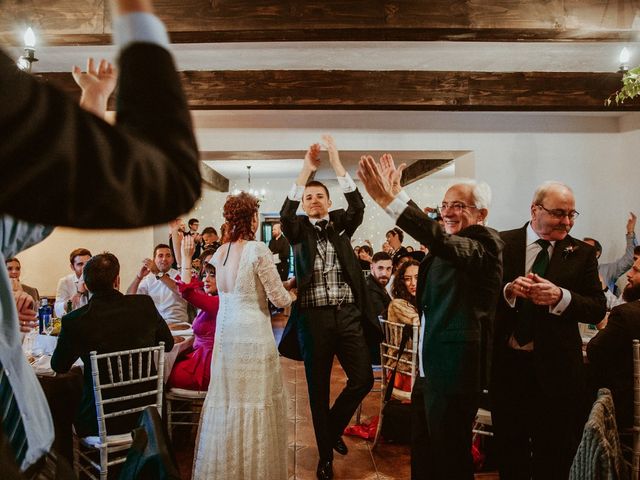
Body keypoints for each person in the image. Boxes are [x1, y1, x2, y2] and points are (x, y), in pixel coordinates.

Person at [0, 0, 200, 475]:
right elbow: (161, 177)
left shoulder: (78, 319)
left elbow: (41, 206)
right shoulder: (136, 305)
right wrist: (133, 14)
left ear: (86, 279)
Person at [357, 153, 503, 480]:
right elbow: (439, 233)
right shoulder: (449, 241)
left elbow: (441, 238)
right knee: (422, 452)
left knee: (450, 458)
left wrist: (390, 201)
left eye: (460, 206)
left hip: (455, 370)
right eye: (446, 204)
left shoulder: (486, 243)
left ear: (482, 214)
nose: (449, 211)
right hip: (428, 365)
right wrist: (402, 197)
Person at [278, 136, 382, 480]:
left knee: (363, 379)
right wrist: (306, 170)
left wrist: (337, 164)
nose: (313, 201)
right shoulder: (297, 230)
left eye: (319, 196)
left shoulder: (340, 224)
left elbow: (358, 208)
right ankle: (325, 457)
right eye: (308, 197)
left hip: (348, 314)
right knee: (317, 389)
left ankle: (333, 428)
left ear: (328, 201)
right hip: (313, 320)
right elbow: (285, 213)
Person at [491, 181, 606, 480]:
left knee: (553, 453)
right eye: (558, 213)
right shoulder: (502, 243)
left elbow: (596, 306)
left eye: (571, 214)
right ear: (535, 210)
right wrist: (508, 291)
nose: (566, 222)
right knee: (509, 448)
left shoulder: (581, 253)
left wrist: (561, 298)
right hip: (508, 367)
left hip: (557, 372)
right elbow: (479, 296)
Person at [192, 192, 294, 479]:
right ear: (251, 219)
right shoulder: (257, 249)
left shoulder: (220, 252)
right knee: (255, 403)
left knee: (229, 403)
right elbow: (279, 298)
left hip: (227, 337)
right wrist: (294, 293)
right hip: (252, 335)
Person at [51, 253, 174, 437]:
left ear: (85, 283)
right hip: (148, 415)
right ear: (117, 280)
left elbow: (58, 366)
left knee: (60, 406)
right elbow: (169, 343)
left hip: (100, 421)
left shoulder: (75, 321)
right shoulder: (144, 305)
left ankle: (67, 464)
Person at [160, 235, 219, 391]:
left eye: (212, 275)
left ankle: (167, 414)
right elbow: (188, 286)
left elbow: (186, 292)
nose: (206, 279)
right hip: (202, 359)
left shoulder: (219, 302)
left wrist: (186, 258)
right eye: (205, 274)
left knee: (161, 374)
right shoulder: (212, 299)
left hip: (206, 367)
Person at [587, 256, 640, 430]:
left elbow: (595, 351)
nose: (629, 275)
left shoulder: (626, 314)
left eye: (636, 270)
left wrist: (603, 328)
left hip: (624, 408)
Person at [126, 244, 188, 324]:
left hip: (178, 324)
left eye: (168, 256)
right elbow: (129, 298)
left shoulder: (180, 276)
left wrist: (157, 273)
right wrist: (138, 278)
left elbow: (182, 292)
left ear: (172, 259)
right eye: (160, 256)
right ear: (154, 260)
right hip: (156, 326)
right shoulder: (148, 279)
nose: (164, 259)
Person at [387, 259, 420, 392]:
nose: (413, 283)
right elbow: (421, 324)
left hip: (418, 365)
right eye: (407, 279)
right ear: (402, 282)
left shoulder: (420, 301)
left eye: (417, 278)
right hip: (404, 367)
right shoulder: (398, 304)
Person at [584, 211, 637, 293]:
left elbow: (630, 259)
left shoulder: (607, 270)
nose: (583, 251)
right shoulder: (574, 270)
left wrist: (630, 233)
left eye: (587, 248)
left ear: (597, 254)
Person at [53, 248, 92, 317]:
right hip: (73, 323)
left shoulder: (98, 280)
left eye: (88, 264)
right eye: (80, 264)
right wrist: (79, 293)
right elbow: (59, 312)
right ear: (72, 267)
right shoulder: (64, 282)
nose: (85, 267)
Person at [367, 251, 393, 320]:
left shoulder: (377, 285)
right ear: (372, 267)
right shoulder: (371, 290)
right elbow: (382, 321)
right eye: (380, 268)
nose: (384, 273)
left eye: (388, 269)